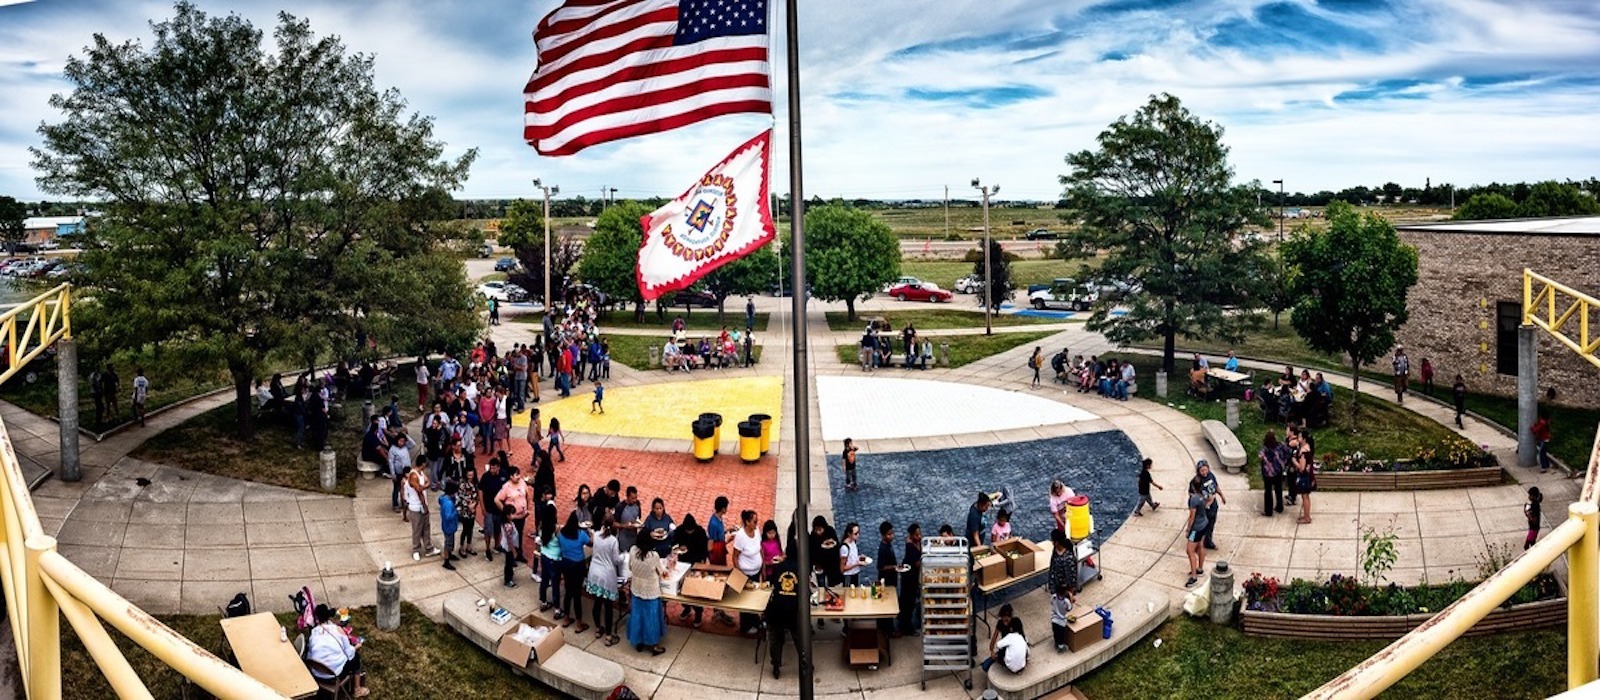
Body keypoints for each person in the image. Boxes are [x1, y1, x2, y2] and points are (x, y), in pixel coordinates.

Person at [305, 603, 369, 697]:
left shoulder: (313, 633)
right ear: (329, 616)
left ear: (317, 619)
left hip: (316, 673)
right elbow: (349, 654)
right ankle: (357, 689)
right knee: (356, 657)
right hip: (334, 675)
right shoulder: (338, 630)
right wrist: (356, 647)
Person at [764, 532, 802, 680]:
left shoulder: (778, 567)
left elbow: (774, 584)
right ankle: (805, 662)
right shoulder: (801, 568)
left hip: (777, 609)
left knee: (775, 639)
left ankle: (776, 666)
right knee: (799, 638)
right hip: (793, 610)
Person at [586, 515, 627, 646]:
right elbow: (616, 560)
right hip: (607, 576)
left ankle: (598, 628)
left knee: (597, 602)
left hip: (594, 573)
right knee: (608, 606)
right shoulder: (613, 541)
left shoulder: (596, 535)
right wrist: (624, 556)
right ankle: (609, 636)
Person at [627, 531, 669, 655]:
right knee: (652, 619)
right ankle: (654, 645)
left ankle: (639, 641)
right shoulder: (653, 556)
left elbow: (630, 567)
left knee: (637, 617)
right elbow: (661, 571)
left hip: (637, 588)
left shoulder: (633, 551)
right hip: (651, 591)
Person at [731, 510, 765, 635]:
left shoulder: (757, 531)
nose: (756, 523)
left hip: (756, 571)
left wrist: (763, 566)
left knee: (754, 598)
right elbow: (735, 557)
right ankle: (745, 626)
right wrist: (741, 575)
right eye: (754, 521)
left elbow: (760, 548)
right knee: (745, 600)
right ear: (747, 522)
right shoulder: (740, 536)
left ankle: (755, 621)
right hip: (746, 574)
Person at [674, 514, 710, 626]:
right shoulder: (679, 531)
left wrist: (702, 564)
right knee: (682, 589)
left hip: (696, 563)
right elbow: (674, 544)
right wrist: (679, 548)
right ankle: (686, 607)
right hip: (683, 563)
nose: (689, 532)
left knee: (695, 591)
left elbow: (705, 550)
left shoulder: (700, 532)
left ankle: (698, 612)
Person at [558, 512, 592, 632]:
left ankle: (566, 618)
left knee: (568, 591)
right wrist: (592, 534)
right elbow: (590, 543)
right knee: (577, 594)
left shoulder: (561, 533)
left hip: (566, 564)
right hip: (577, 566)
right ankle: (579, 623)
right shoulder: (580, 534)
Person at [402, 457, 438, 561]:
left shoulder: (421, 473)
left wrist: (424, 487)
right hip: (415, 507)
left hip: (422, 505)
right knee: (417, 530)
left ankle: (428, 548)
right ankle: (415, 550)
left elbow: (428, 482)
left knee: (426, 528)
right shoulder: (413, 475)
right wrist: (424, 505)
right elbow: (418, 491)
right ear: (422, 464)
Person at [1184, 477, 1212, 588]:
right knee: (1200, 546)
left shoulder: (1194, 499)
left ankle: (1194, 577)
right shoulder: (1203, 494)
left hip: (1197, 527)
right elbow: (1211, 498)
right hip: (1204, 523)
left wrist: (1188, 529)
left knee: (1190, 551)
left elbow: (1192, 516)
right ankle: (1200, 568)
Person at [982, 603, 1026, 673]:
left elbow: (1022, 636)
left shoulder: (1016, 622)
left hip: (1016, 646)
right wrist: (992, 651)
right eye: (1004, 617)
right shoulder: (1000, 623)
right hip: (1005, 646)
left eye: (1008, 617)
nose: (1006, 619)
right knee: (985, 666)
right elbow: (994, 638)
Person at [898, 523, 923, 635]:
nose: (919, 536)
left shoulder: (917, 543)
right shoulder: (910, 547)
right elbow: (917, 563)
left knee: (909, 600)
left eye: (920, 534)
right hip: (909, 577)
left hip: (913, 575)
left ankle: (903, 620)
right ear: (911, 535)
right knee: (908, 601)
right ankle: (906, 626)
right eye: (917, 535)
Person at [1195, 460, 1225, 550]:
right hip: (1203, 507)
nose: (1204, 472)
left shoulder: (1211, 475)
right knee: (1201, 526)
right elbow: (1194, 495)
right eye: (1202, 471)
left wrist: (1222, 496)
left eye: (1205, 469)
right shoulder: (1197, 481)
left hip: (1213, 505)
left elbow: (1216, 487)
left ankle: (1208, 542)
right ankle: (1196, 543)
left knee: (1210, 525)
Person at [1260, 432, 1288, 517]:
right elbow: (1288, 452)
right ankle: (1279, 507)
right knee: (1278, 489)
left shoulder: (1265, 448)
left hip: (1267, 473)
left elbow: (1260, 456)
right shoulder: (1280, 446)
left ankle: (1268, 511)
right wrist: (1284, 462)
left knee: (1268, 491)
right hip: (1278, 471)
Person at [439, 481, 460, 570]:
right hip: (449, 526)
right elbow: (448, 516)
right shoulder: (448, 503)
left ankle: (449, 554)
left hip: (447, 525)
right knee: (448, 543)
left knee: (450, 542)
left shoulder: (444, 499)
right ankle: (446, 561)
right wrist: (456, 511)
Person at [1050, 582, 1076, 652]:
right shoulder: (1066, 601)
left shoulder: (1054, 597)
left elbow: (1051, 603)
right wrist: (1071, 600)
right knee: (1061, 636)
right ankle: (1061, 647)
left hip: (1054, 619)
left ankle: (1056, 643)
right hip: (1061, 621)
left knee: (1056, 633)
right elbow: (1069, 608)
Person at [1523, 486, 1545, 551]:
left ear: (1534, 496)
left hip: (1533, 528)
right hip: (1533, 528)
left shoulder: (1535, 506)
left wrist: (1527, 513)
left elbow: (1534, 519)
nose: (1529, 497)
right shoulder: (1535, 504)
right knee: (1532, 543)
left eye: (1530, 495)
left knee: (1527, 545)